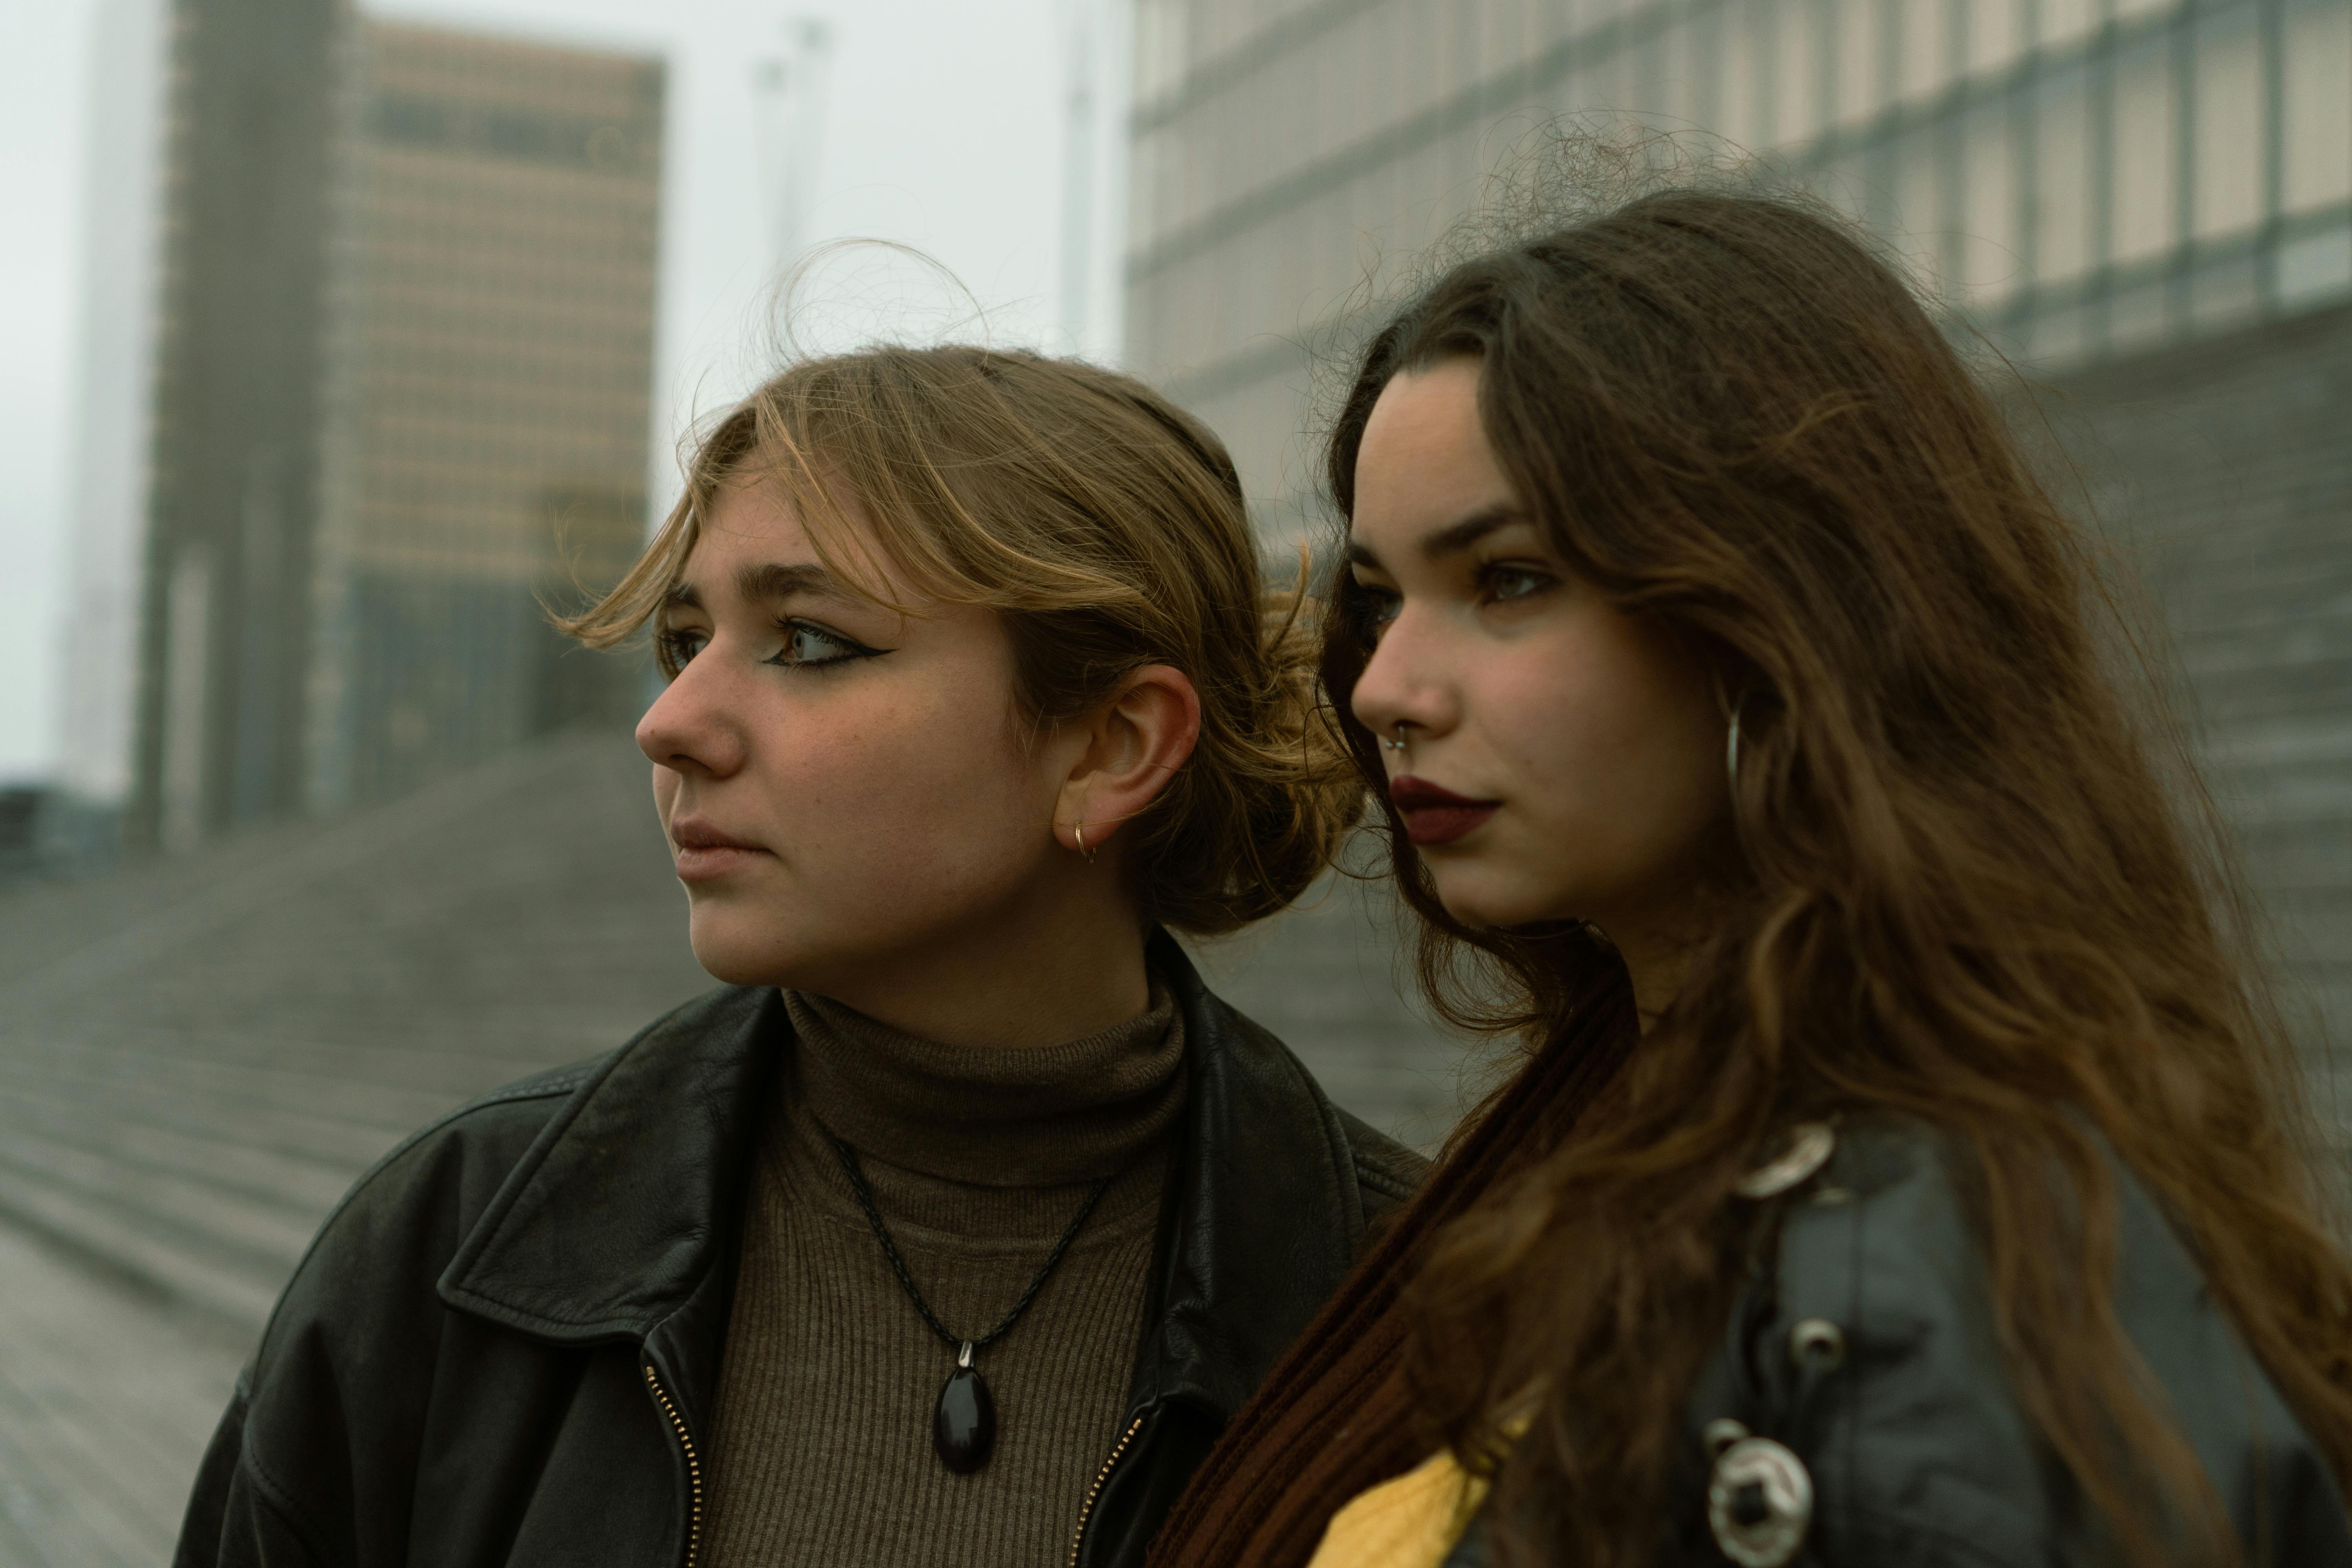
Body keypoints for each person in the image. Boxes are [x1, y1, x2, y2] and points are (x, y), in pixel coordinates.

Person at [1146, 182, 2352, 1568]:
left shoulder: (1931, 1263)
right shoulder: (1638, 1134)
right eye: (1382, 596)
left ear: (1783, 609)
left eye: (1511, 581)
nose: (1388, 688)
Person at [175, 344, 1426, 1568]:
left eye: (809, 643)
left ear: (1111, 743)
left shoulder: (1427, 1312)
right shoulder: (448, 1253)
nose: (668, 726)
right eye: (685, 642)